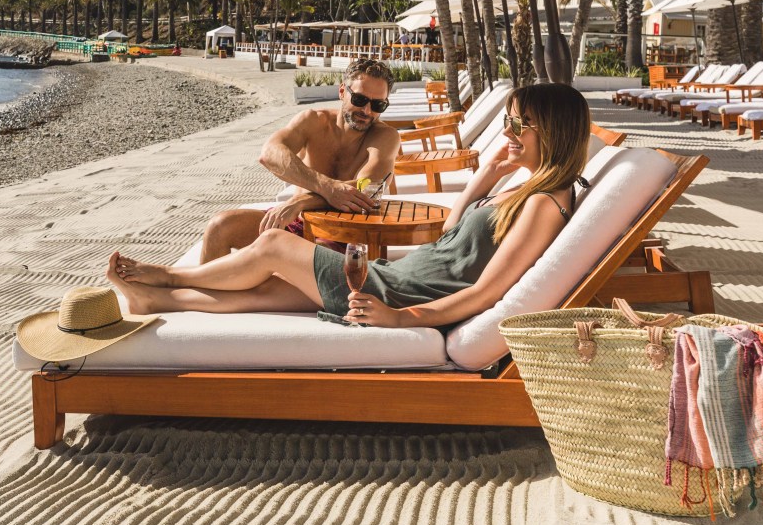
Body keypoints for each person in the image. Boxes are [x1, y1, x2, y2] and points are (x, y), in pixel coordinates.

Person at [108, 83, 590, 329]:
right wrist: (485, 177)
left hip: (401, 292)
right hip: (404, 277)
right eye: (506, 122)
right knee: (263, 294)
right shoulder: (529, 190)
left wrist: (402, 318)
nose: (507, 134)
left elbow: (487, 293)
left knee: (274, 244)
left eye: (517, 125)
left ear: (552, 132)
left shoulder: (547, 203)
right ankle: (156, 299)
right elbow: (451, 240)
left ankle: (171, 276)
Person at [195, 58, 400, 262]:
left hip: (344, 235)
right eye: (359, 100)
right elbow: (270, 154)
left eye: (377, 104)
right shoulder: (313, 121)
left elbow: (368, 190)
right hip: (297, 221)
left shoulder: (385, 137)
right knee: (219, 226)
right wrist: (326, 187)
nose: (367, 111)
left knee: (310, 254)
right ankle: (200, 292)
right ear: (341, 92)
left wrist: (302, 201)